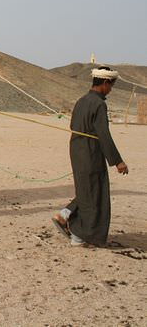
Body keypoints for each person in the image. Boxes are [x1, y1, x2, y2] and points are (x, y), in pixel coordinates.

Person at [51, 66, 130, 247]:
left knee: (88, 189)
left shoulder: (81, 100)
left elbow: (74, 124)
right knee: (95, 193)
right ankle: (79, 235)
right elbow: (104, 134)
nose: (110, 90)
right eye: (111, 86)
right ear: (104, 83)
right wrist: (118, 161)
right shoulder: (99, 104)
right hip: (90, 151)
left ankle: (65, 215)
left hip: (76, 148)